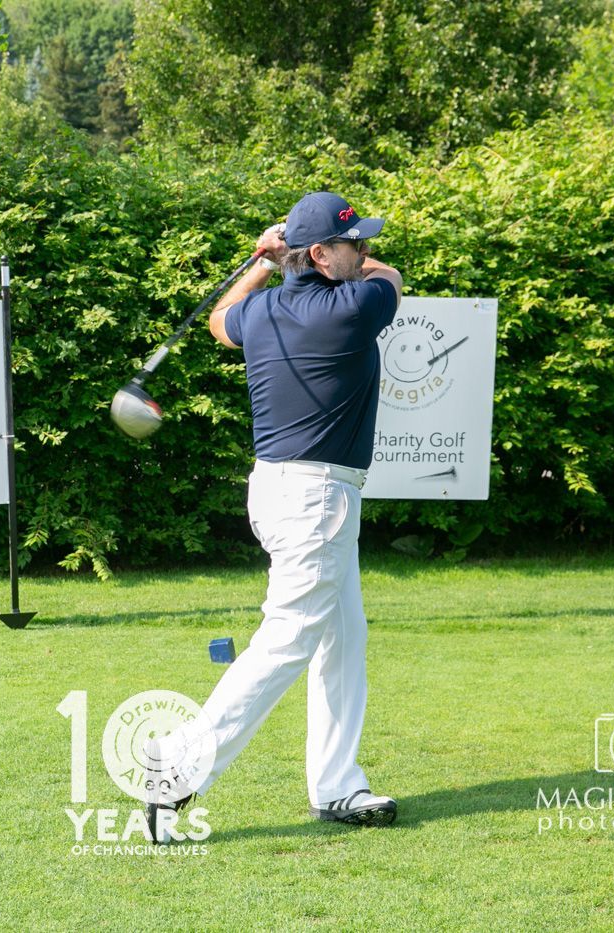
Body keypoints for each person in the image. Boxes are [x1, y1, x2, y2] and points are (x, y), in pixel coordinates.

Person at [147, 191, 403, 839]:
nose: (366, 251)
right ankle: (175, 770)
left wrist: (266, 260)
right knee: (287, 639)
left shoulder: (259, 310)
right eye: (353, 243)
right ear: (320, 254)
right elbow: (392, 278)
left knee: (344, 636)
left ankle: (337, 785)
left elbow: (218, 321)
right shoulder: (354, 306)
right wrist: (287, 252)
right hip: (317, 498)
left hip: (280, 490)